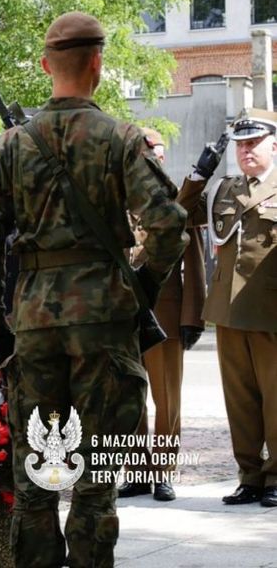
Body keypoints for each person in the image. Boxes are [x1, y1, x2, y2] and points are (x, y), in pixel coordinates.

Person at [0, 11, 187, 567]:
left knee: (37, 478)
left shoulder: (11, 146)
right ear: (98, 64)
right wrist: (142, 286)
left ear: (46, 66)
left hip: (35, 324)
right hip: (106, 323)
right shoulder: (122, 139)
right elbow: (167, 226)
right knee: (97, 480)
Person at [176, 108, 277, 508]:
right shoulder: (224, 188)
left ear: (275, 144)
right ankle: (249, 476)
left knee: (275, 398)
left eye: (254, 142)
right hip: (228, 311)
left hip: (270, 310)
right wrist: (198, 176)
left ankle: (275, 478)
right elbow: (180, 215)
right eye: (241, 144)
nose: (246, 150)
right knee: (239, 399)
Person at [117, 128, 207, 503]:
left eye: (159, 151)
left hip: (165, 316)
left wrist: (192, 317)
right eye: (147, 150)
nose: (154, 156)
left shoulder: (176, 198)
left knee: (166, 400)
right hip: (123, 315)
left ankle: (164, 472)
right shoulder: (114, 197)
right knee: (128, 397)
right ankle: (137, 472)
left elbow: (194, 261)